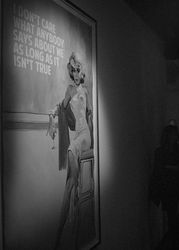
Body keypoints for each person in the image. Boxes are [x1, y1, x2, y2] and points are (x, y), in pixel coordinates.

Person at [54, 52, 93, 249]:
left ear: (81, 71)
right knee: (68, 185)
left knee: (72, 149)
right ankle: (59, 234)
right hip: (75, 135)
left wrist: (93, 144)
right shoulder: (70, 89)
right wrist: (56, 111)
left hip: (84, 136)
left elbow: (89, 118)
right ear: (71, 72)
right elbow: (62, 107)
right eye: (73, 70)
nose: (76, 73)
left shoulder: (85, 91)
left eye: (79, 70)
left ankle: (76, 189)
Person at [150, 125, 179, 250]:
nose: (175, 136)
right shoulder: (160, 151)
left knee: (177, 216)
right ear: (168, 135)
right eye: (173, 134)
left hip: (178, 186)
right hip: (168, 188)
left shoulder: (178, 149)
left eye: (176, 134)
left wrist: (169, 167)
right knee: (172, 216)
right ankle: (176, 242)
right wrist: (173, 168)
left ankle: (178, 241)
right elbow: (159, 169)